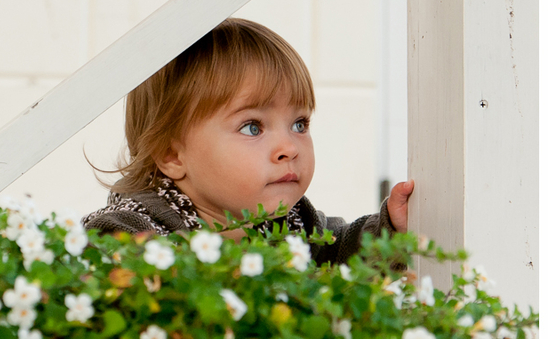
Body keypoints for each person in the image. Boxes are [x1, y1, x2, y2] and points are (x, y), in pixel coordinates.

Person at [82, 18, 414, 265]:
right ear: (172, 155)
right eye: (253, 128)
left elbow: (340, 250)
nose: (289, 148)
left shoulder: (294, 222)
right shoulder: (136, 227)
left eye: (299, 124)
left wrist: (390, 228)